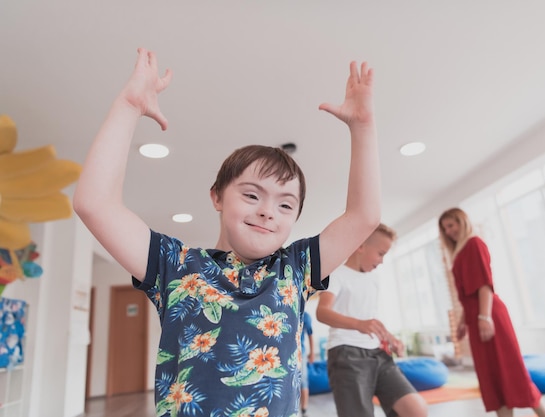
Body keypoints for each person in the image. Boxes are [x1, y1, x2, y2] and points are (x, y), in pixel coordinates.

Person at [73, 48, 381, 416]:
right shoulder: (175, 266)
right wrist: (127, 105)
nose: (268, 211)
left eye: (285, 205)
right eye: (252, 195)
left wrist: (363, 127)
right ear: (217, 196)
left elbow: (364, 216)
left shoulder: (297, 269)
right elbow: (94, 203)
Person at [438, 208, 545, 417]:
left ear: (462, 222)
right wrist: (464, 321)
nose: (448, 232)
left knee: (512, 372)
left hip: (489, 315)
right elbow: (467, 295)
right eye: (444, 228)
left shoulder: (474, 244)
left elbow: (484, 286)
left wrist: (484, 317)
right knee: (492, 377)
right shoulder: (459, 253)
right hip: (476, 317)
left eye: (451, 225)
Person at [316, 224, 428, 417]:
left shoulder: (373, 279)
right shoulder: (336, 275)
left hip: (377, 354)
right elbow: (322, 312)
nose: (382, 261)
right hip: (346, 354)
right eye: (380, 253)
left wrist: (390, 338)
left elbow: (370, 319)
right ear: (361, 246)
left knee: (415, 409)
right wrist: (358, 324)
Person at [300, 311, 314, 417]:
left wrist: (312, 353)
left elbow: (310, 334)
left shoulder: (306, 316)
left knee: (303, 380)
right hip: (287, 354)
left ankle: (304, 409)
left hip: (302, 353)